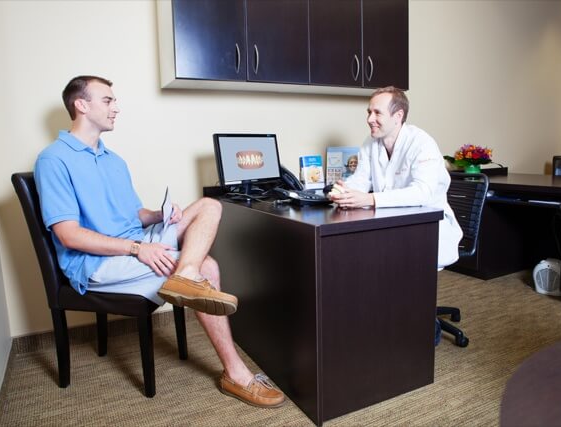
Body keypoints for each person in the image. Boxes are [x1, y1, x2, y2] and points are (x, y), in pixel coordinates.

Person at [34, 75, 284, 408]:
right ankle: (235, 374)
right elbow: (68, 234)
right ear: (81, 104)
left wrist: (158, 215)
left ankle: (187, 275)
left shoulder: (113, 159)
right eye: (108, 100)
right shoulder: (53, 160)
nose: (116, 107)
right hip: (96, 262)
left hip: (134, 242)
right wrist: (139, 248)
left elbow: (130, 215)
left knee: (209, 205)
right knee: (208, 266)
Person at [328, 86, 462, 268]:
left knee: (393, 267)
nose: (369, 119)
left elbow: (422, 193)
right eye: (369, 112)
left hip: (428, 226)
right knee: (362, 259)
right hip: (391, 220)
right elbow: (361, 179)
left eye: (377, 113)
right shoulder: (371, 142)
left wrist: (370, 198)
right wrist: (344, 192)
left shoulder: (422, 143)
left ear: (398, 116)